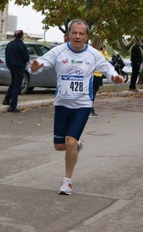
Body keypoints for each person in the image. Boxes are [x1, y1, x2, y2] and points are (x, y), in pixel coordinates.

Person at [28, 19, 124, 195]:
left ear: (86, 36)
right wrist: (34, 67)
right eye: (74, 33)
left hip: (82, 105)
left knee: (69, 141)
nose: (77, 36)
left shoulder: (94, 54)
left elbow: (109, 72)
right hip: (62, 104)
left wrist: (116, 79)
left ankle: (67, 181)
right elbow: (38, 65)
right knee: (59, 145)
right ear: (69, 34)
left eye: (81, 34)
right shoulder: (58, 51)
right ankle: (77, 144)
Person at [2, 29, 29, 112]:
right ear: (21, 36)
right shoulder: (22, 45)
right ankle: (13, 105)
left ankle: (6, 100)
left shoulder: (9, 44)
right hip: (19, 67)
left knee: (13, 83)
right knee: (17, 86)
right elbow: (26, 58)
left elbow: (7, 55)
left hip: (11, 67)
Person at [89, 38, 110, 117]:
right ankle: (90, 109)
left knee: (92, 92)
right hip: (96, 74)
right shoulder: (99, 52)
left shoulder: (92, 51)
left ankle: (90, 108)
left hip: (94, 74)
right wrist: (104, 51)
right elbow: (106, 60)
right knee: (93, 92)